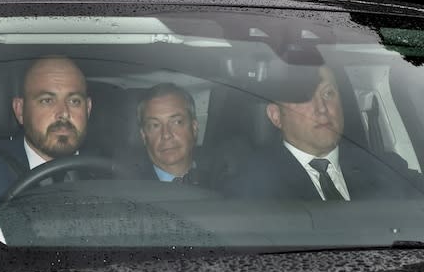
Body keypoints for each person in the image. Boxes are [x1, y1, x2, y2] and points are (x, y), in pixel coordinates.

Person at [224, 65, 423, 200]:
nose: (322, 108)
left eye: (328, 93)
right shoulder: (251, 187)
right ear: (276, 116)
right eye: (304, 97)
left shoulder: (386, 168)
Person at [0, 56, 92, 205]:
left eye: (74, 101)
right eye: (47, 100)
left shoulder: (111, 174)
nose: (64, 113)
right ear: (20, 111)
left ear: (88, 109)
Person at [118, 83, 204, 185]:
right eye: (155, 125)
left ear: (194, 128)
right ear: (143, 135)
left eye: (176, 122)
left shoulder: (220, 183)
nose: (166, 135)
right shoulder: (127, 189)